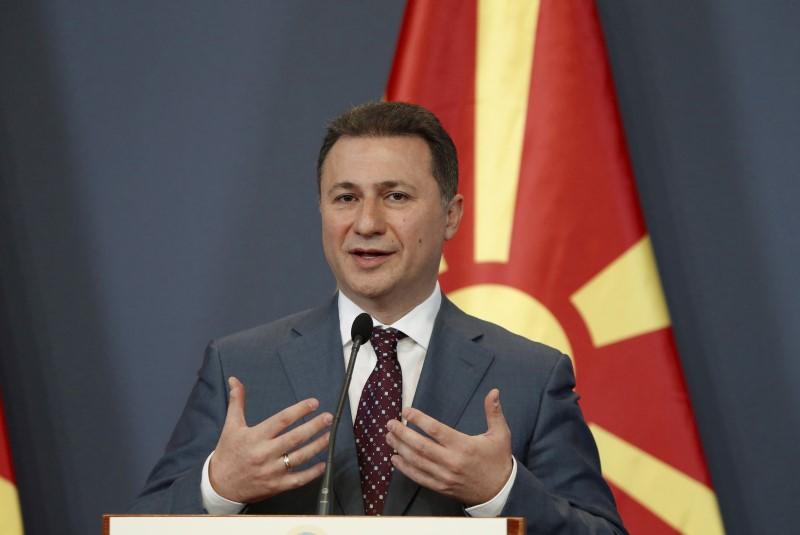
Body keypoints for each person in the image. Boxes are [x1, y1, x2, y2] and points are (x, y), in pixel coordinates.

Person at [130, 101, 627, 534]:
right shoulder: (240, 365)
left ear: (450, 215)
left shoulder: (530, 377)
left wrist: (501, 492)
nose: (366, 223)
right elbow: (145, 526)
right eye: (345, 198)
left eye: (396, 196)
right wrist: (219, 489)